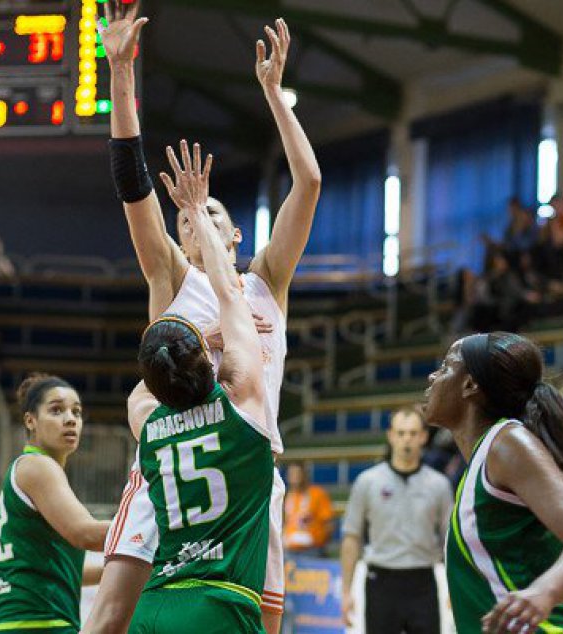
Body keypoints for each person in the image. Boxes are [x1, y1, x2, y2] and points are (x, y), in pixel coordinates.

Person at [85, 5, 320, 632]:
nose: (197, 218)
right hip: (172, 464)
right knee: (111, 619)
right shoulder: (171, 275)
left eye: (211, 212)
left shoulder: (266, 281)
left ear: (235, 234)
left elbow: (309, 182)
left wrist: (274, 95)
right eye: (187, 216)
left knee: (257, 624)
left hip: (249, 473)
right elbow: (134, 189)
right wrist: (120, 74)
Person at [109, 141, 273, 633]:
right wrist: (197, 209)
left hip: (157, 601)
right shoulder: (244, 404)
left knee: (106, 620)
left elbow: (138, 395)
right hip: (219, 604)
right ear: (207, 356)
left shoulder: (150, 426)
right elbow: (231, 296)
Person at [424, 332, 563, 633]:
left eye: (446, 367)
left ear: (470, 385)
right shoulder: (481, 462)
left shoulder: (507, 442)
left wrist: (543, 593)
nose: (433, 376)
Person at [0, 374, 110, 634]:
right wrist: (157, 532)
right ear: (30, 421)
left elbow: (68, 571)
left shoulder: (31, 470)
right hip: (31, 623)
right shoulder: (38, 467)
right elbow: (85, 533)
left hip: (4, 624)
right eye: (56, 410)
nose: (70, 419)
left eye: (77, 412)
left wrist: (135, 565)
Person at [340, 406, 454, 634]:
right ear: (391, 436)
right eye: (401, 433)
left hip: (423, 581)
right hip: (381, 581)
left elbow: (450, 540)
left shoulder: (439, 485)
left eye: (413, 433)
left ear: (423, 437)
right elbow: (352, 538)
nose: (406, 439)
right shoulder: (367, 482)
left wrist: (454, 587)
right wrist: (346, 592)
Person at [283, 463, 334, 557]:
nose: (294, 477)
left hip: (312, 549)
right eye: (291, 474)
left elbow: (328, 525)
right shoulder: (285, 496)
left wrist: (320, 543)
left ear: (305, 475)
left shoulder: (318, 494)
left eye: (297, 473)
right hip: (288, 549)